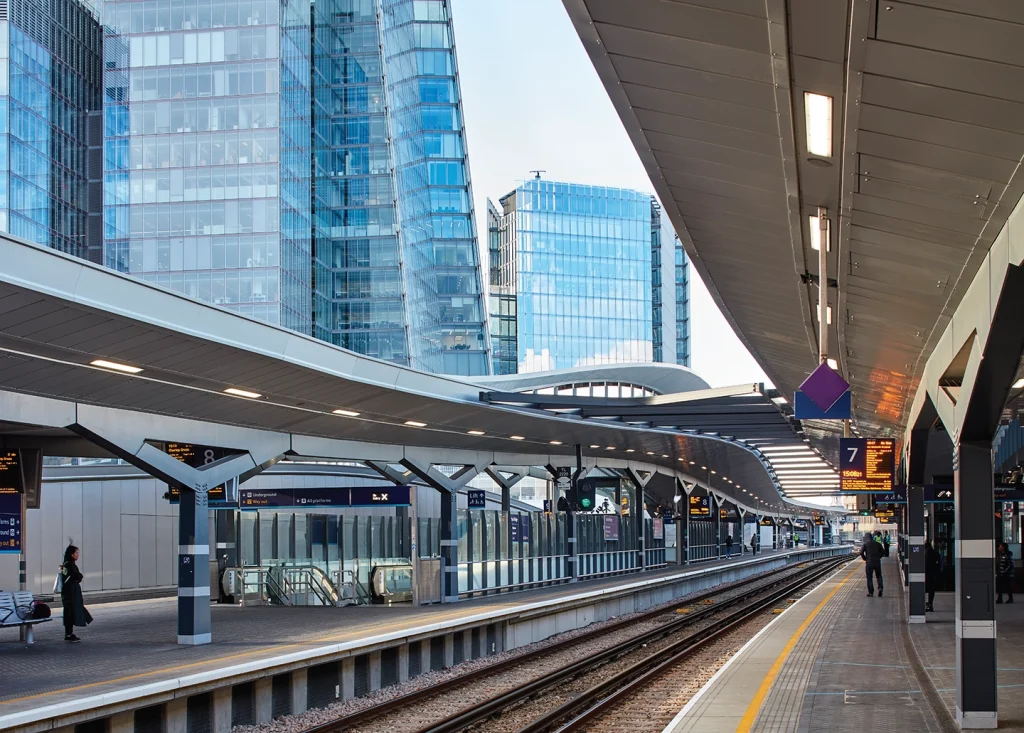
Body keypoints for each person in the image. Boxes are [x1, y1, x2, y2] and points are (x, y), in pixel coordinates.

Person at [60, 544, 92, 642]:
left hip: (71, 592)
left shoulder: (69, 564)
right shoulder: (69, 564)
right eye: (76, 553)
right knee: (70, 612)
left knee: (71, 611)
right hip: (70, 593)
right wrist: (79, 576)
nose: (78, 555)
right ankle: (68, 634)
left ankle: (69, 633)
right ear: (71, 554)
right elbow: (76, 576)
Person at [860, 532, 884, 597]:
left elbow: (861, 552)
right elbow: (883, 552)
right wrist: (878, 557)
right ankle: (880, 588)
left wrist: (864, 558)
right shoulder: (877, 544)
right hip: (877, 562)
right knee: (879, 576)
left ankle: (871, 593)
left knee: (869, 578)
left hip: (869, 563)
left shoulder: (865, 544)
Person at [924, 540, 942, 612]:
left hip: (928, 574)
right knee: (931, 590)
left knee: (926, 589)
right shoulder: (935, 552)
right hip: (934, 574)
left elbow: (926, 564)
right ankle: (930, 603)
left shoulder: (926, 553)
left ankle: (929, 605)